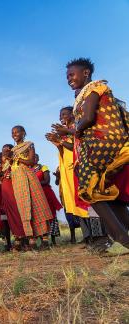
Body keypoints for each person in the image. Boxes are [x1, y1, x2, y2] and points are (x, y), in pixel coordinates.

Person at [66, 57, 129, 248]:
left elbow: (87, 118)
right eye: (67, 76)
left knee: (88, 188)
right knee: (108, 193)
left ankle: (121, 239)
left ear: (86, 73)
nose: (69, 78)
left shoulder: (95, 87)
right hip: (103, 142)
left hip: (103, 142)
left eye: (71, 74)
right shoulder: (84, 94)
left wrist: (71, 131)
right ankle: (122, 236)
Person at [46, 107, 86, 244]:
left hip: (77, 168)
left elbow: (75, 146)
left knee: (83, 200)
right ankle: (87, 236)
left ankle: (95, 235)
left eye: (64, 114)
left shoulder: (77, 127)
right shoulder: (64, 132)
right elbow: (63, 151)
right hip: (66, 170)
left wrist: (60, 139)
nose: (61, 116)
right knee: (72, 203)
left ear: (72, 114)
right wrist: (57, 142)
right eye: (60, 114)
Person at [9, 126, 53, 249]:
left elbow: (31, 162)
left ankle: (44, 240)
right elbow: (11, 165)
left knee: (37, 205)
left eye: (17, 132)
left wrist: (17, 158)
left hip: (29, 178)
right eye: (13, 133)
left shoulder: (29, 145)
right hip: (17, 181)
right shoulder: (12, 150)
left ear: (23, 133)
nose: (15, 134)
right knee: (24, 208)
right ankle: (31, 241)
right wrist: (10, 159)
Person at [0, 144, 26, 250]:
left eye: (7, 151)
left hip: (16, 193)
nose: (4, 154)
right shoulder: (0, 168)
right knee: (8, 220)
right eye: (3, 152)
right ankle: (13, 241)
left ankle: (23, 240)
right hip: (4, 197)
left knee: (19, 215)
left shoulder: (14, 164)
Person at [32, 154, 63, 245]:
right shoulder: (28, 170)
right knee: (39, 216)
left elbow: (46, 181)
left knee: (51, 215)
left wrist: (33, 183)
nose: (34, 159)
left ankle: (53, 240)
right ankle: (42, 239)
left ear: (38, 158)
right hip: (35, 195)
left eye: (35, 157)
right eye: (32, 157)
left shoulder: (43, 167)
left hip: (46, 194)